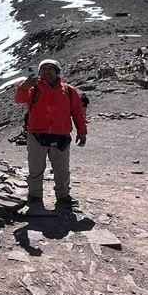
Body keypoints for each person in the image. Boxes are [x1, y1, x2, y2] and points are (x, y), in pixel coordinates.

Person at [14, 59, 87, 215]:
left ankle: (63, 197)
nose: (47, 71)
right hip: (37, 135)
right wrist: (24, 87)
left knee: (62, 170)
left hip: (61, 135)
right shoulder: (33, 88)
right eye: (44, 69)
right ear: (40, 72)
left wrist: (82, 131)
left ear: (57, 71)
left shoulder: (68, 90)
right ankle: (35, 197)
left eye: (51, 69)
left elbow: (77, 112)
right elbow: (20, 100)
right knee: (35, 169)